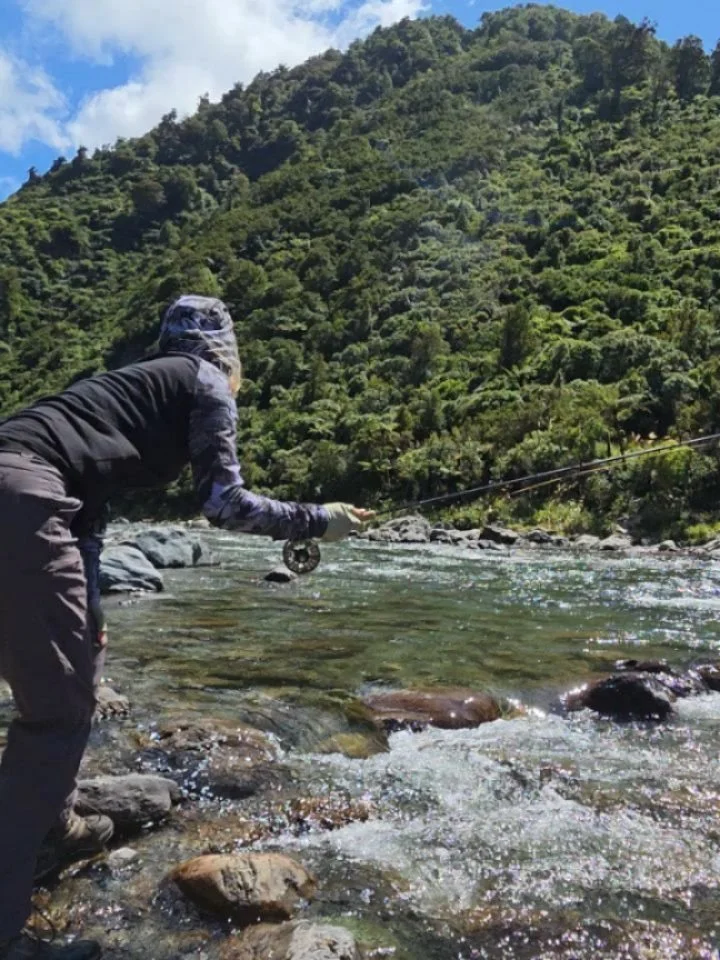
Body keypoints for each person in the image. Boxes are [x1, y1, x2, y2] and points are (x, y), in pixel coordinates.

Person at [0, 294, 374, 959]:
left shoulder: (131, 386)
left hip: (27, 494)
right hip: (23, 499)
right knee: (57, 715)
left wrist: (91, 612)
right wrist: (319, 519)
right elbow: (223, 503)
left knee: (75, 670)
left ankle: (50, 827)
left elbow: (86, 508)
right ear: (226, 351)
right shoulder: (206, 383)